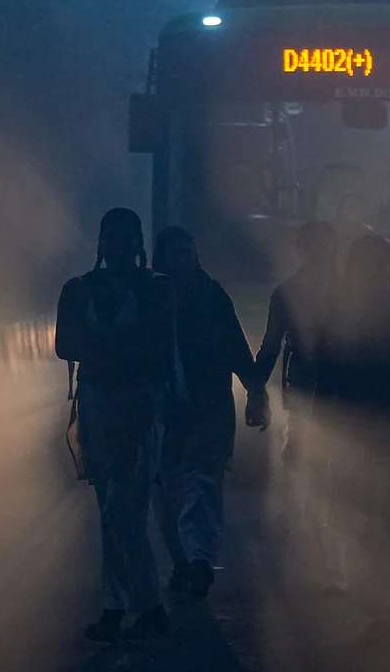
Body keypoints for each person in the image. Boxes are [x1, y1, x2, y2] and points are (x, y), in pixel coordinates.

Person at [55, 208, 179, 641]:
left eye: (125, 237)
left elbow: (71, 344)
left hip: (130, 402)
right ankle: (139, 606)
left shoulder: (82, 291)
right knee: (119, 505)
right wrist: (124, 346)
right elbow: (149, 346)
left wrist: (101, 347)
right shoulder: (155, 291)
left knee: (118, 507)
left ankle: (127, 605)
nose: (119, 246)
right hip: (118, 400)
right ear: (103, 242)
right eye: (114, 237)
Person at [313, 234, 390, 646]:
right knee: (370, 526)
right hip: (366, 440)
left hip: (383, 441)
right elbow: (326, 389)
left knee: (382, 523)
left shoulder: (346, 321)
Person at [150, 226, 268, 601]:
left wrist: (253, 389)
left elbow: (234, 345)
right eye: (177, 252)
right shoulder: (157, 297)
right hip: (167, 404)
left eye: (187, 251)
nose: (183, 258)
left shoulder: (207, 295)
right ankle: (189, 560)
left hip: (206, 403)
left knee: (198, 481)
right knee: (171, 486)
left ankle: (197, 560)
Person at [251, 220, 345, 588]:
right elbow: (272, 345)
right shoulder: (345, 289)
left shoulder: (288, 291)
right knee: (321, 475)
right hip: (325, 393)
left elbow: (272, 345)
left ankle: (319, 555)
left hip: (316, 391)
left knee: (313, 473)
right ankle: (326, 558)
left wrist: (257, 386)